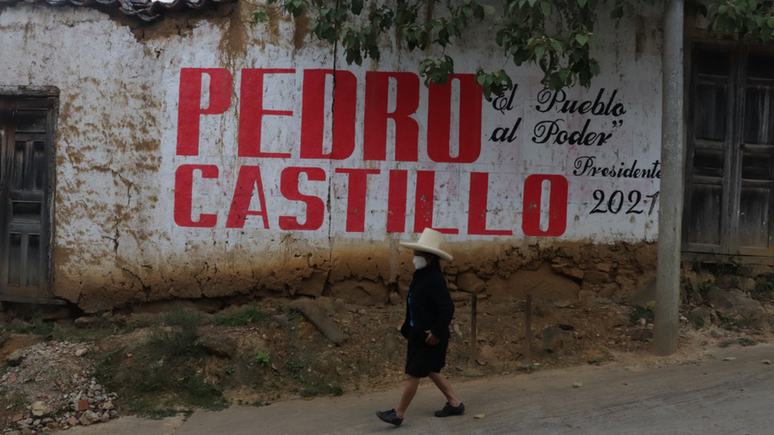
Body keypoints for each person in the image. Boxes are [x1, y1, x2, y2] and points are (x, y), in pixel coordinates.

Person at [376, 228, 464, 426]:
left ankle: (398, 414)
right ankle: (455, 403)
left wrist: (435, 331)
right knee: (432, 371)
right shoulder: (422, 275)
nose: (414, 258)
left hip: (431, 338)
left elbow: (447, 308)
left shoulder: (434, 279)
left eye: (418, 255)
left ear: (429, 258)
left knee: (412, 375)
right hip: (418, 335)